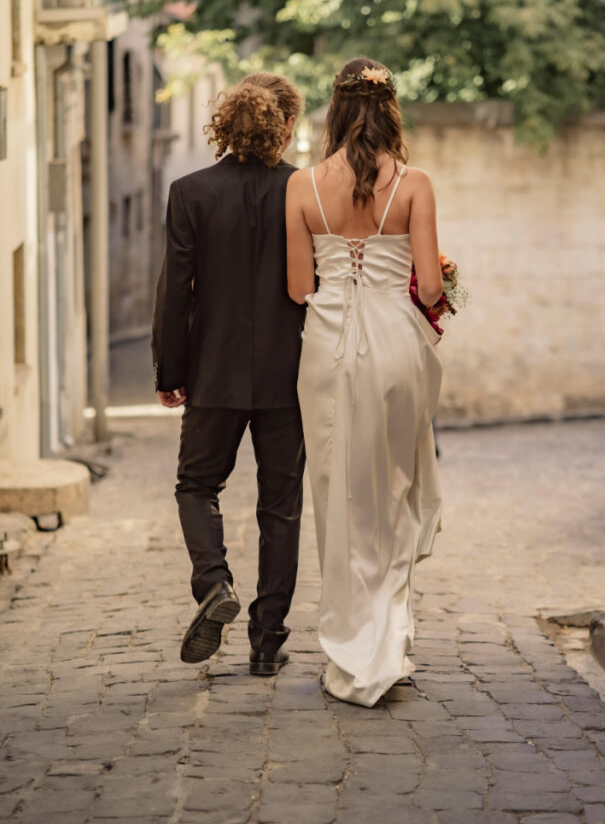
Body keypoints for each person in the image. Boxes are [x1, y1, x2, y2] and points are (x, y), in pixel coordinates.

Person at [286, 57, 444, 707]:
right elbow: (430, 286)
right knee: (393, 489)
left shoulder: (301, 187)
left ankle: (349, 644)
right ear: (389, 111)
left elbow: (299, 288)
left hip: (326, 351)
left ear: (335, 110)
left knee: (338, 494)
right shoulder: (414, 183)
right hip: (394, 347)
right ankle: (387, 640)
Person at [153, 73, 306, 675]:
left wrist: (171, 368)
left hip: (213, 373)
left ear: (224, 125)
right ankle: (267, 645)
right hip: (287, 377)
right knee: (281, 509)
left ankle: (214, 584)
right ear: (285, 125)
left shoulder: (189, 192)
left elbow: (175, 293)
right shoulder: (303, 191)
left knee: (196, 486)